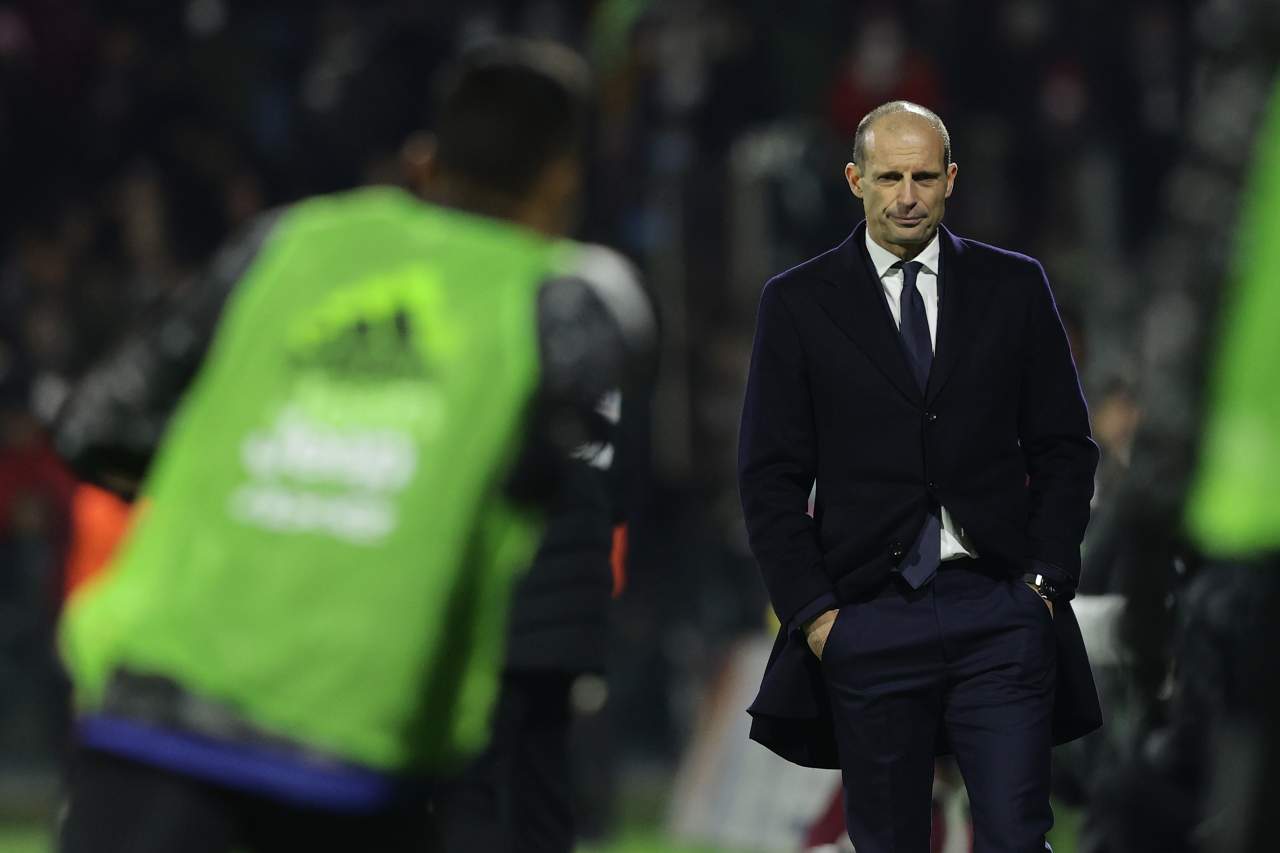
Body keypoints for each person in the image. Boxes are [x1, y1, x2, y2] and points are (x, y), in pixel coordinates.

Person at [53, 40, 654, 853]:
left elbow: (96, 429)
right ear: (561, 178)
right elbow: (569, 474)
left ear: (424, 160)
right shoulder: (562, 302)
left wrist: (265, 482)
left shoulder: (288, 244)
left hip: (151, 704)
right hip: (351, 742)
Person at [737, 100, 1101, 853]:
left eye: (925, 177)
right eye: (890, 177)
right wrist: (819, 617)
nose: (907, 195)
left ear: (951, 179)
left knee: (1016, 837)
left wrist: (1043, 584)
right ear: (855, 180)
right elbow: (770, 476)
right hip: (867, 616)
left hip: (999, 610)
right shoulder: (798, 303)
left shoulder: (1013, 286)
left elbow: (1065, 447)